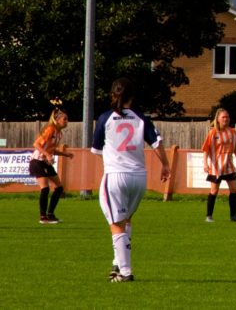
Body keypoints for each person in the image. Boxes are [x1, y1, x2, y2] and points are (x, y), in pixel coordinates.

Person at [91, 77, 171, 283]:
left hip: (116, 175)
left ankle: (125, 272)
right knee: (125, 219)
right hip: (139, 177)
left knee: (116, 223)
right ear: (132, 97)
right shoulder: (141, 118)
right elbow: (156, 143)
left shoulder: (105, 118)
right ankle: (117, 262)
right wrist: (165, 165)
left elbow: (96, 150)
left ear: (112, 95)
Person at [29, 102, 73, 224]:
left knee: (59, 188)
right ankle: (43, 218)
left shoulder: (59, 133)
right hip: (37, 161)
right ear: (57, 120)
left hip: (45, 163)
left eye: (67, 119)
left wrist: (65, 154)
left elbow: (51, 150)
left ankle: (50, 215)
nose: (67, 121)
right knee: (45, 188)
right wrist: (48, 155)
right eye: (64, 119)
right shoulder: (50, 129)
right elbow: (36, 144)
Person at [201, 108, 236, 223]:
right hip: (216, 167)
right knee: (214, 191)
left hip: (229, 167)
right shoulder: (213, 133)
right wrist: (205, 163)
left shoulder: (233, 132)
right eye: (223, 117)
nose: (226, 119)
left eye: (227, 117)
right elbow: (206, 149)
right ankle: (209, 216)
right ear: (218, 119)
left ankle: (234, 216)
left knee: (234, 189)